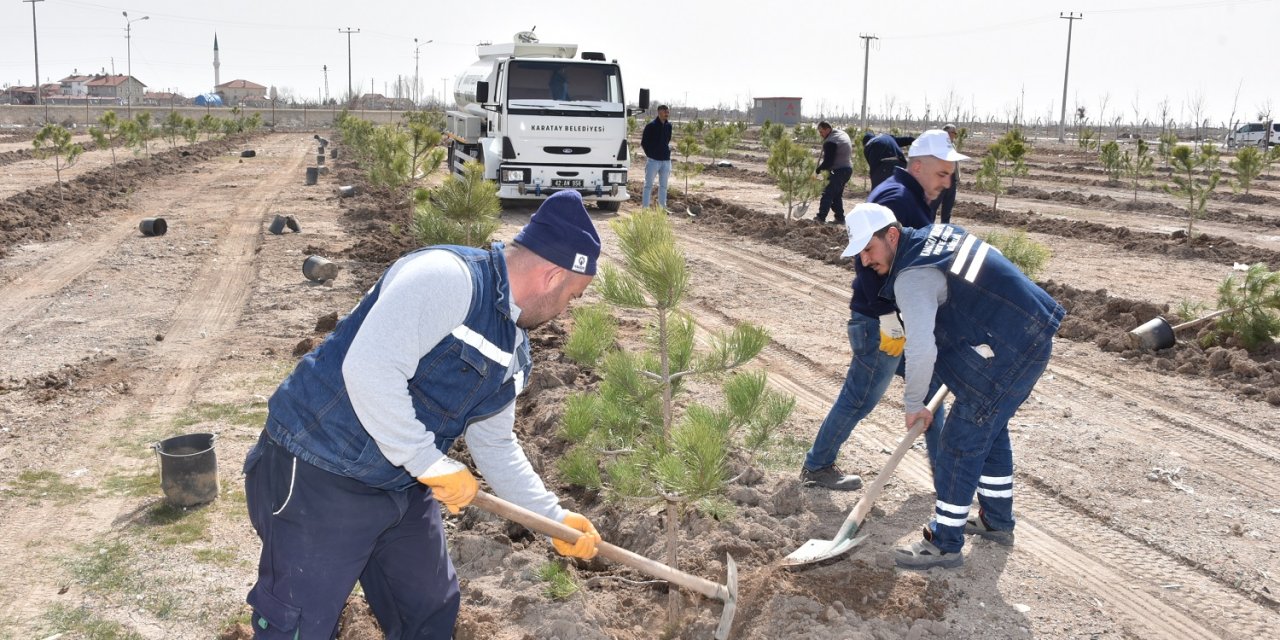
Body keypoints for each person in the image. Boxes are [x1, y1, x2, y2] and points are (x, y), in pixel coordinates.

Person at [243, 190, 604, 638]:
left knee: (429, 610)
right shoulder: (446, 278)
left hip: (400, 485)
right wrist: (429, 463)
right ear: (552, 276)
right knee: (300, 624)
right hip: (319, 470)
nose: (567, 309)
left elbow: (494, 442)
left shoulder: (514, 350)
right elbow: (369, 369)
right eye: (573, 295)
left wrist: (551, 517)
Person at [841, 206, 1065, 570]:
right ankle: (996, 520)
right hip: (1027, 332)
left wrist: (915, 403)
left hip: (1011, 346)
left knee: (961, 439)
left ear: (892, 236)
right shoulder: (935, 236)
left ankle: (944, 543)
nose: (865, 260)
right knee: (988, 427)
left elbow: (921, 347)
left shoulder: (911, 276)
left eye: (868, 249)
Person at [800, 130, 967, 491]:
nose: (947, 182)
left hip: (899, 318)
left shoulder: (912, 197)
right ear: (919, 166)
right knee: (859, 398)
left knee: (928, 389)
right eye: (941, 173)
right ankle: (817, 465)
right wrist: (887, 315)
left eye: (950, 175)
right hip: (882, 323)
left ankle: (945, 478)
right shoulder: (898, 198)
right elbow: (868, 259)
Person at [814, 121, 854, 224]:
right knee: (836, 195)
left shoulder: (830, 141)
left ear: (828, 129)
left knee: (828, 194)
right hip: (847, 169)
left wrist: (818, 170)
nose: (820, 134)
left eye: (821, 132)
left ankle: (820, 218)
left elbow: (828, 162)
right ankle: (840, 218)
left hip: (839, 170)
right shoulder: (840, 134)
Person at [640, 105, 673, 209]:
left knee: (663, 186)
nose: (667, 114)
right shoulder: (651, 126)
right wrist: (650, 154)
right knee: (648, 185)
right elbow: (644, 142)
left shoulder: (669, 126)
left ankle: (662, 208)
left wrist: (666, 151)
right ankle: (645, 208)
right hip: (653, 161)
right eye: (665, 112)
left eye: (668, 112)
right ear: (659, 112)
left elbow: (667, 140)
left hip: (666, 161)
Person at [932, 124, 960, 224]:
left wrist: (957, 178)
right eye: (954, 133)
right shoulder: (938, 146)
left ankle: (945, 230)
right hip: (941, 179)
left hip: (952, 179)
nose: (955, 135)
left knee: (947, 208)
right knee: (933, 207)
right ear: (946, 133)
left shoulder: (952, 145)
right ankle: (928, 230)